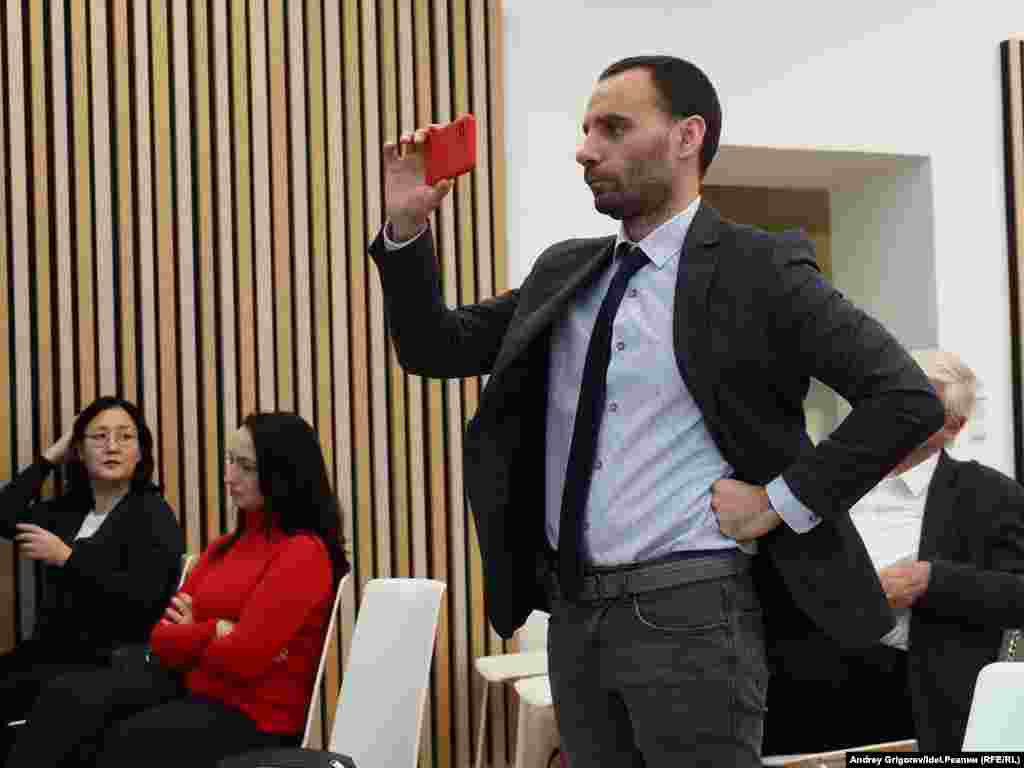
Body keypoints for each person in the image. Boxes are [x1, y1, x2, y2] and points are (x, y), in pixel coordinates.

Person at [369, 55, 944, 766]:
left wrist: (779, 501)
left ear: (686, 137)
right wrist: (405, 230)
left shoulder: (758, 268)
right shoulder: (565, 271)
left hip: (694, 607)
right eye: (585, 130)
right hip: (575, 613)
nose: (585, 150)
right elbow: (435, 346)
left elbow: (904, 398)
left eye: (613, 128)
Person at [6, 412, 350, 768]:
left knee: (121, 741)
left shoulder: (302, 552)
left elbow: (245, 657)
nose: (230, 476)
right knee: (69, 698)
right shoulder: (223, 547)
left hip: (255, 714)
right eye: (230, 460)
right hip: (192, 686)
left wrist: (196, 630)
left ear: (282, 475)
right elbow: (161, 638)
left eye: (246, 466)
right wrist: (217, 630)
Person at [764, 350, 1024, 755]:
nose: (900, 414)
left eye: (921, 407)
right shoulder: (819, 478)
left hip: (921, 698)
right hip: (807, 694)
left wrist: (932, 581)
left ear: (954, 426)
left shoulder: (990, 495)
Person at [0, 396, 184, 762]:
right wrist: (52, 455)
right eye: (99, 437)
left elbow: (143, 599)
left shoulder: (152, 513)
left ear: (140, 452)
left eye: (125, 436)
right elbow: (5, 514)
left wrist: (69, 558)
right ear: (80, 451)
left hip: (106, 664)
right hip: (46, 655)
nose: (112, 446)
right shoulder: (69, 512)